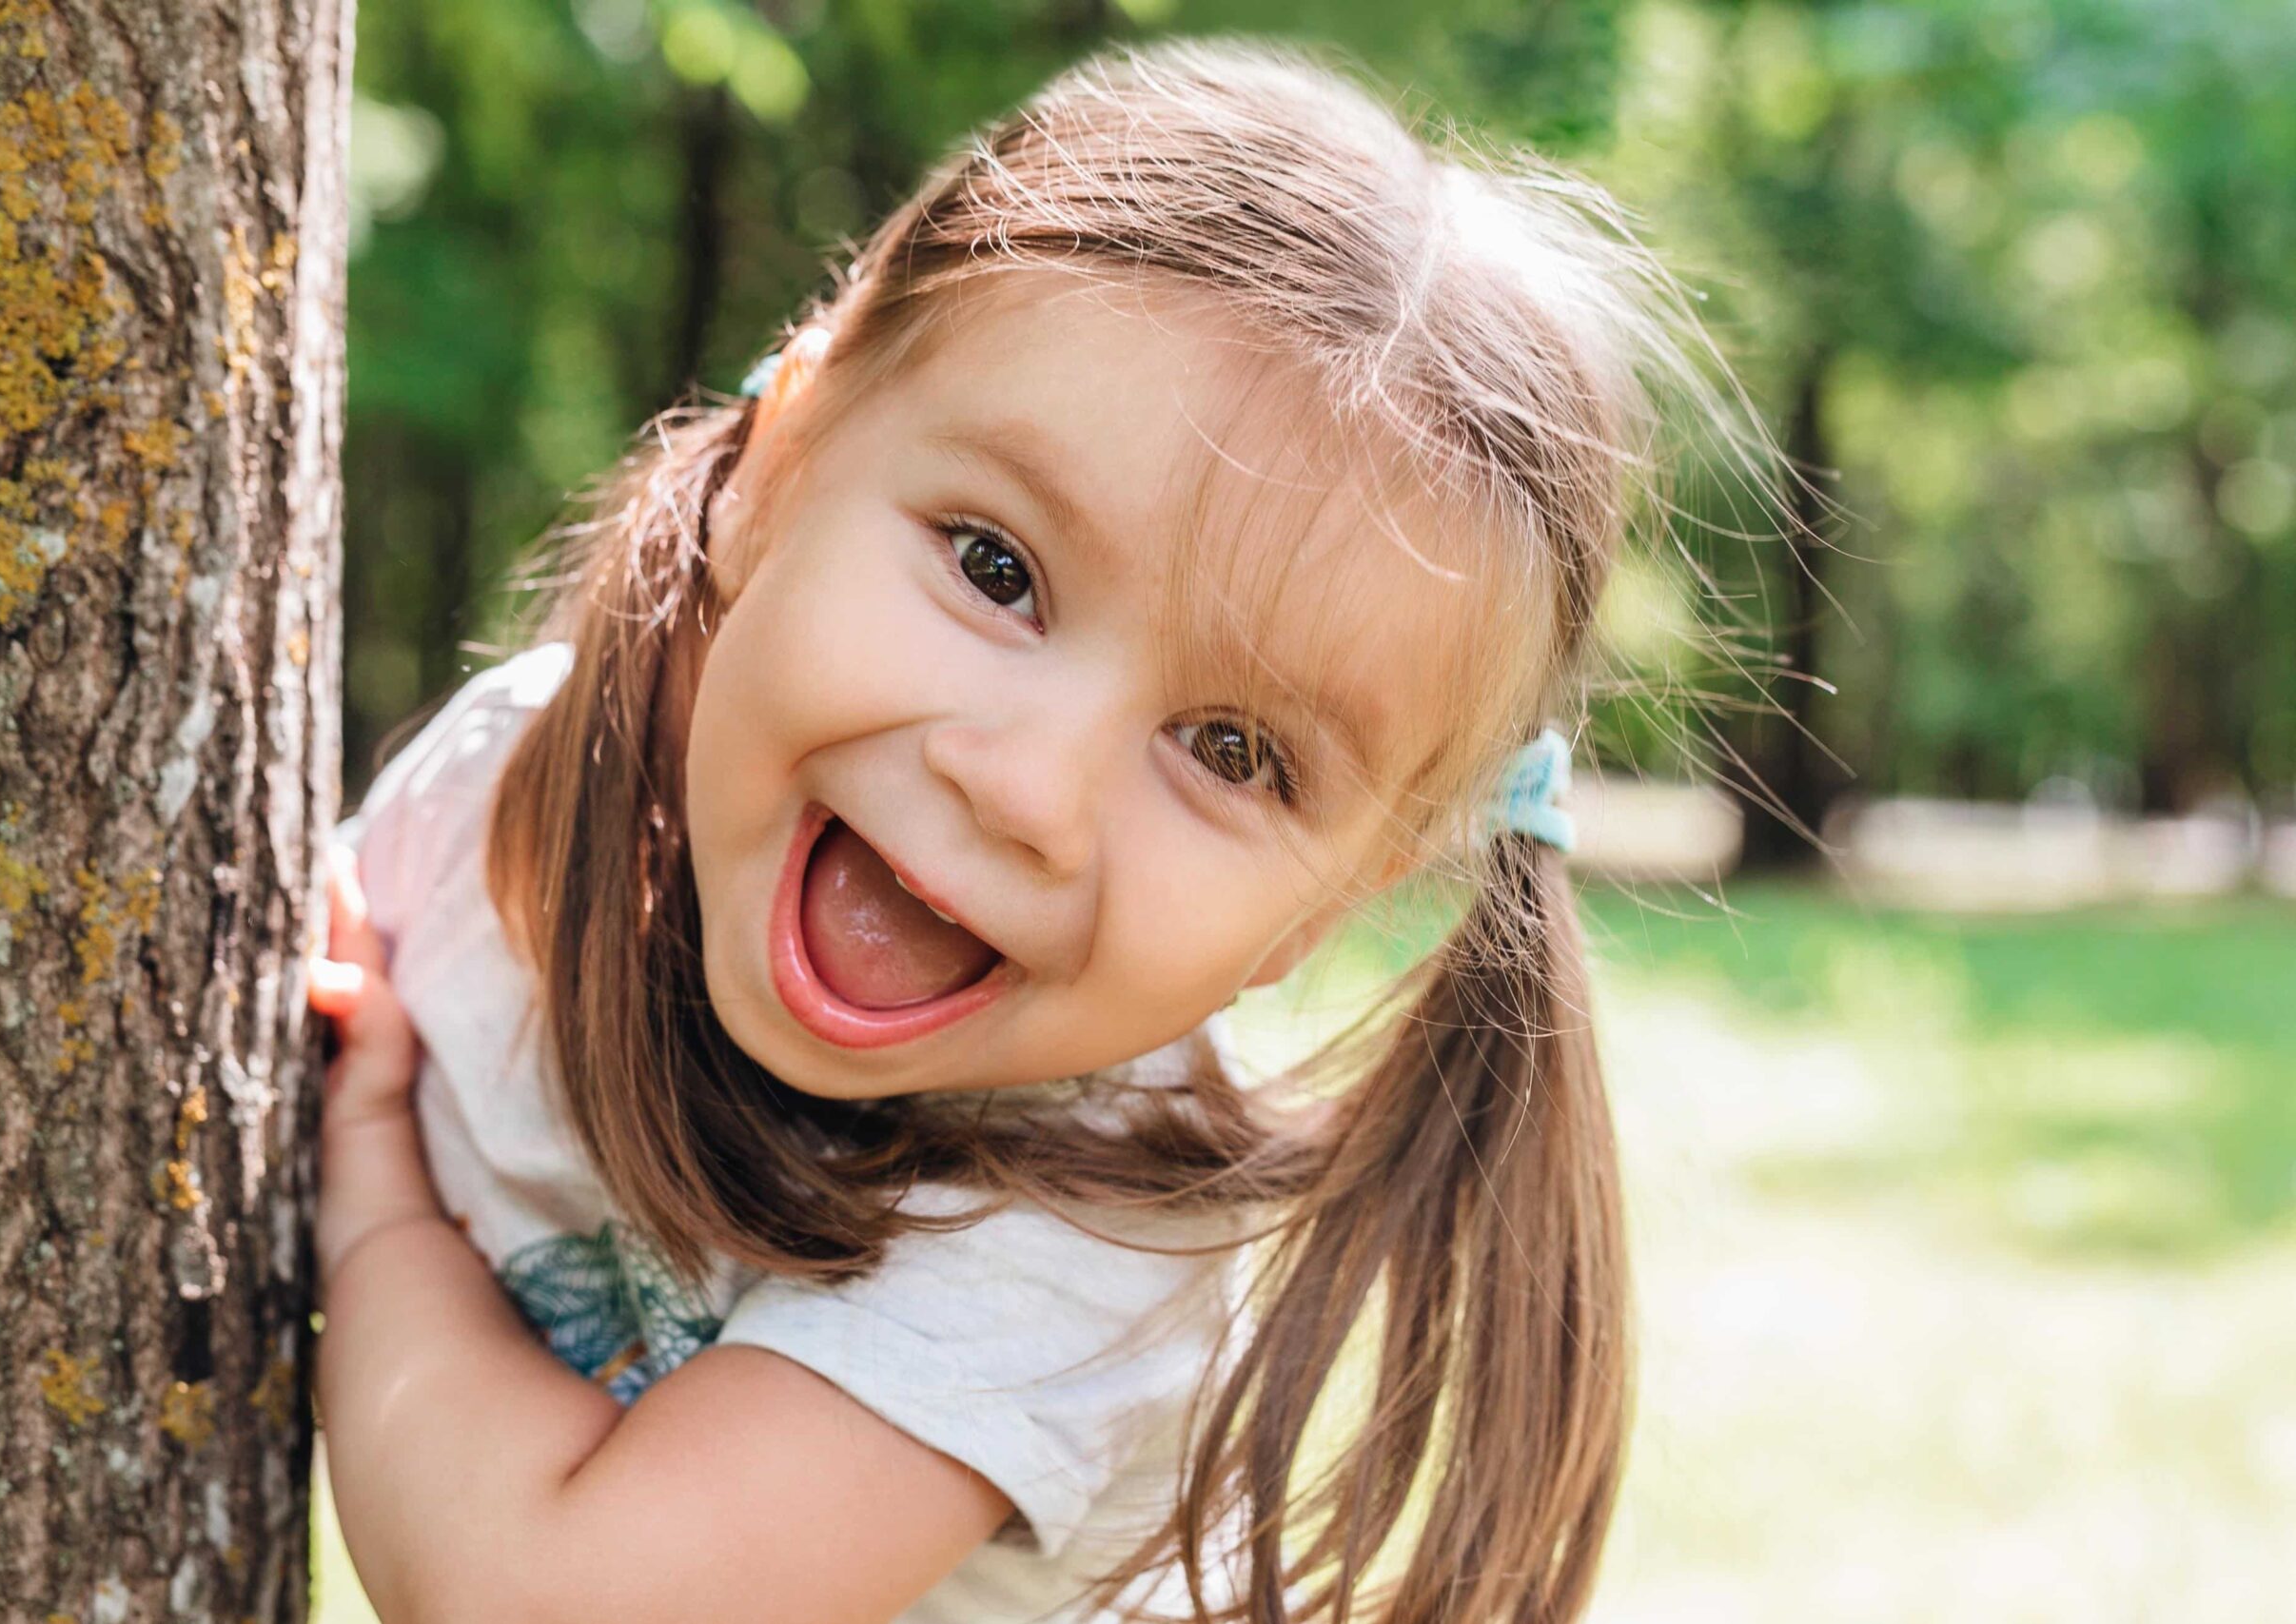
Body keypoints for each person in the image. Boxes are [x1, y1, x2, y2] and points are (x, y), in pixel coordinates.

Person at [305, 35, 1776, 1624]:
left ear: (1322, 911)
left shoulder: (1082, 1240)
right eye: (995, 569)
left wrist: (370, 1187)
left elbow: (548, 1600)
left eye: (1233, 751)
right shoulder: (481, 802)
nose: (1028, 788)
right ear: (781, 464)